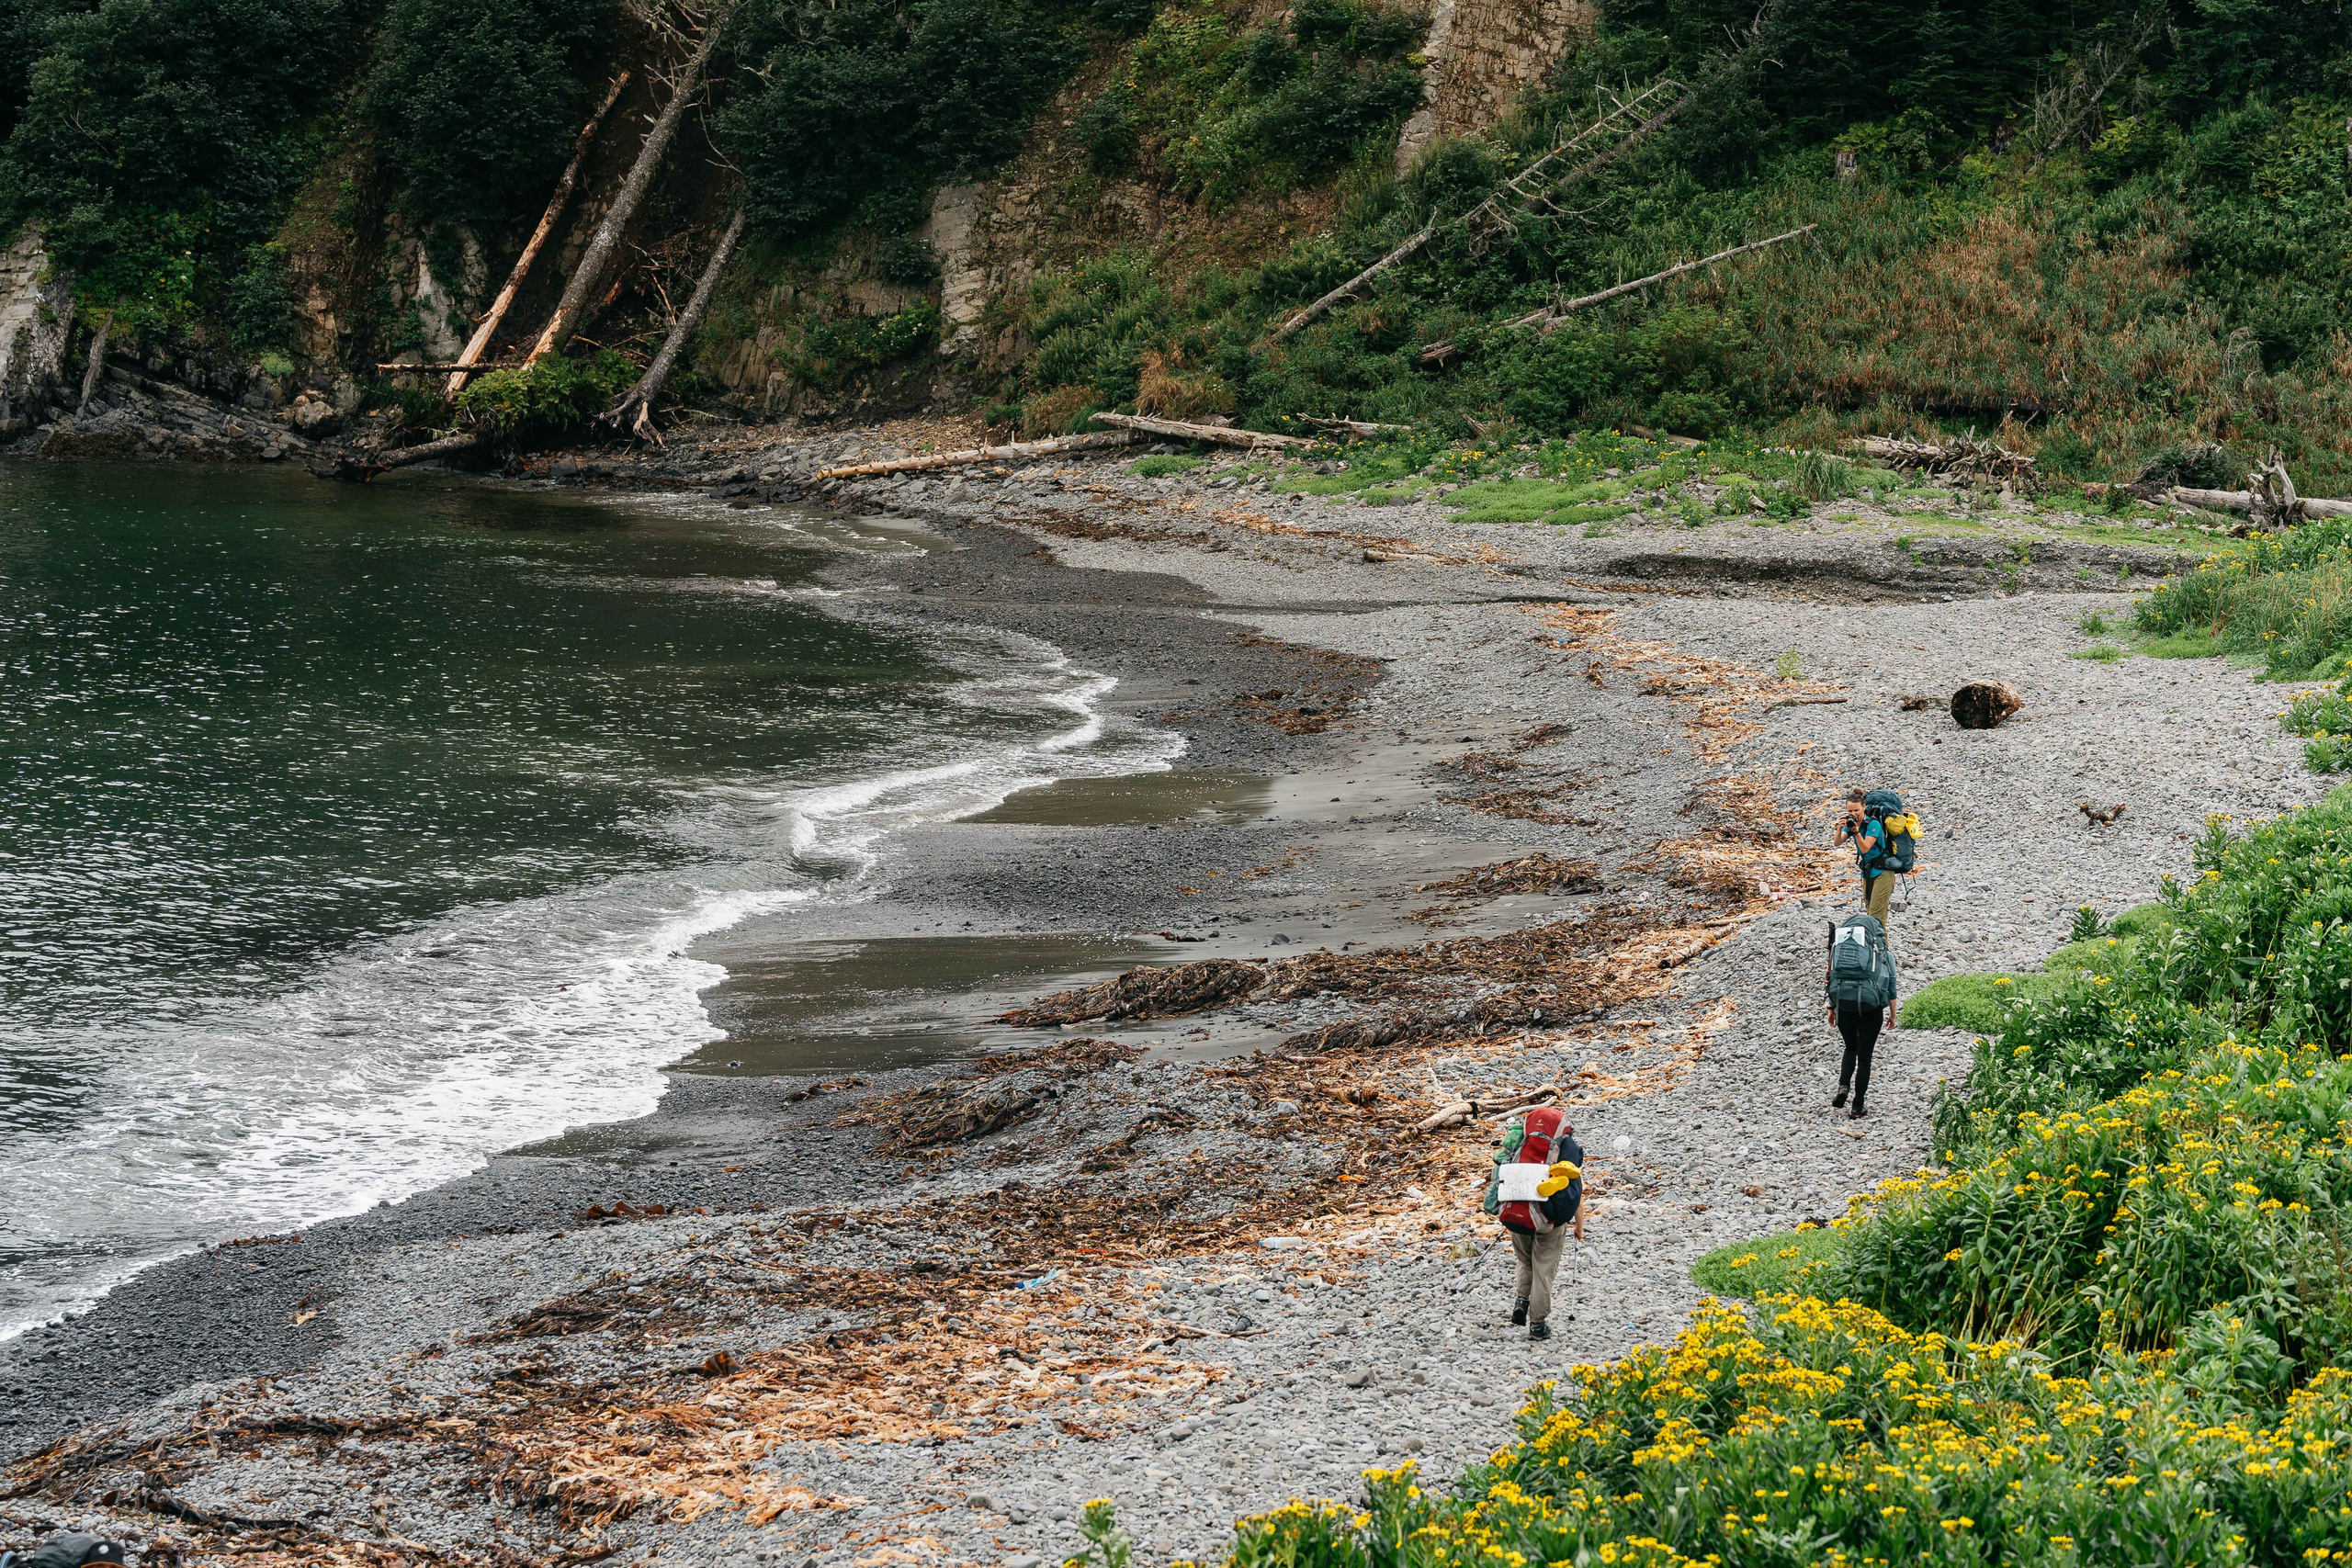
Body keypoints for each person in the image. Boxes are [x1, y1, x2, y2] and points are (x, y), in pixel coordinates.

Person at [1481, 1105, 1585, 1341]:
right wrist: (1579, 1228)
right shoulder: (1565, 1150)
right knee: (1543, 1271)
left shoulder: (1521, 1143)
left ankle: (1521, 1302)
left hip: (1516, 1214)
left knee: (1525, 1262)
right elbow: (1576, 1198)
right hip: (1549, 1223)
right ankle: (1537, 1324)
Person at [1825, 909, 1899, 1118]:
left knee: (1850, 1048)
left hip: (1844, 1005)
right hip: (1871, 1008)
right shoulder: (1884, 954)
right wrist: (1893, 1014)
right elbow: (1892, 987)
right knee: (1865, 1058)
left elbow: (1831, 977)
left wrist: (1831, 1008)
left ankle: (1843, 1087)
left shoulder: (1839, 950)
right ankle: (1857, 1106)